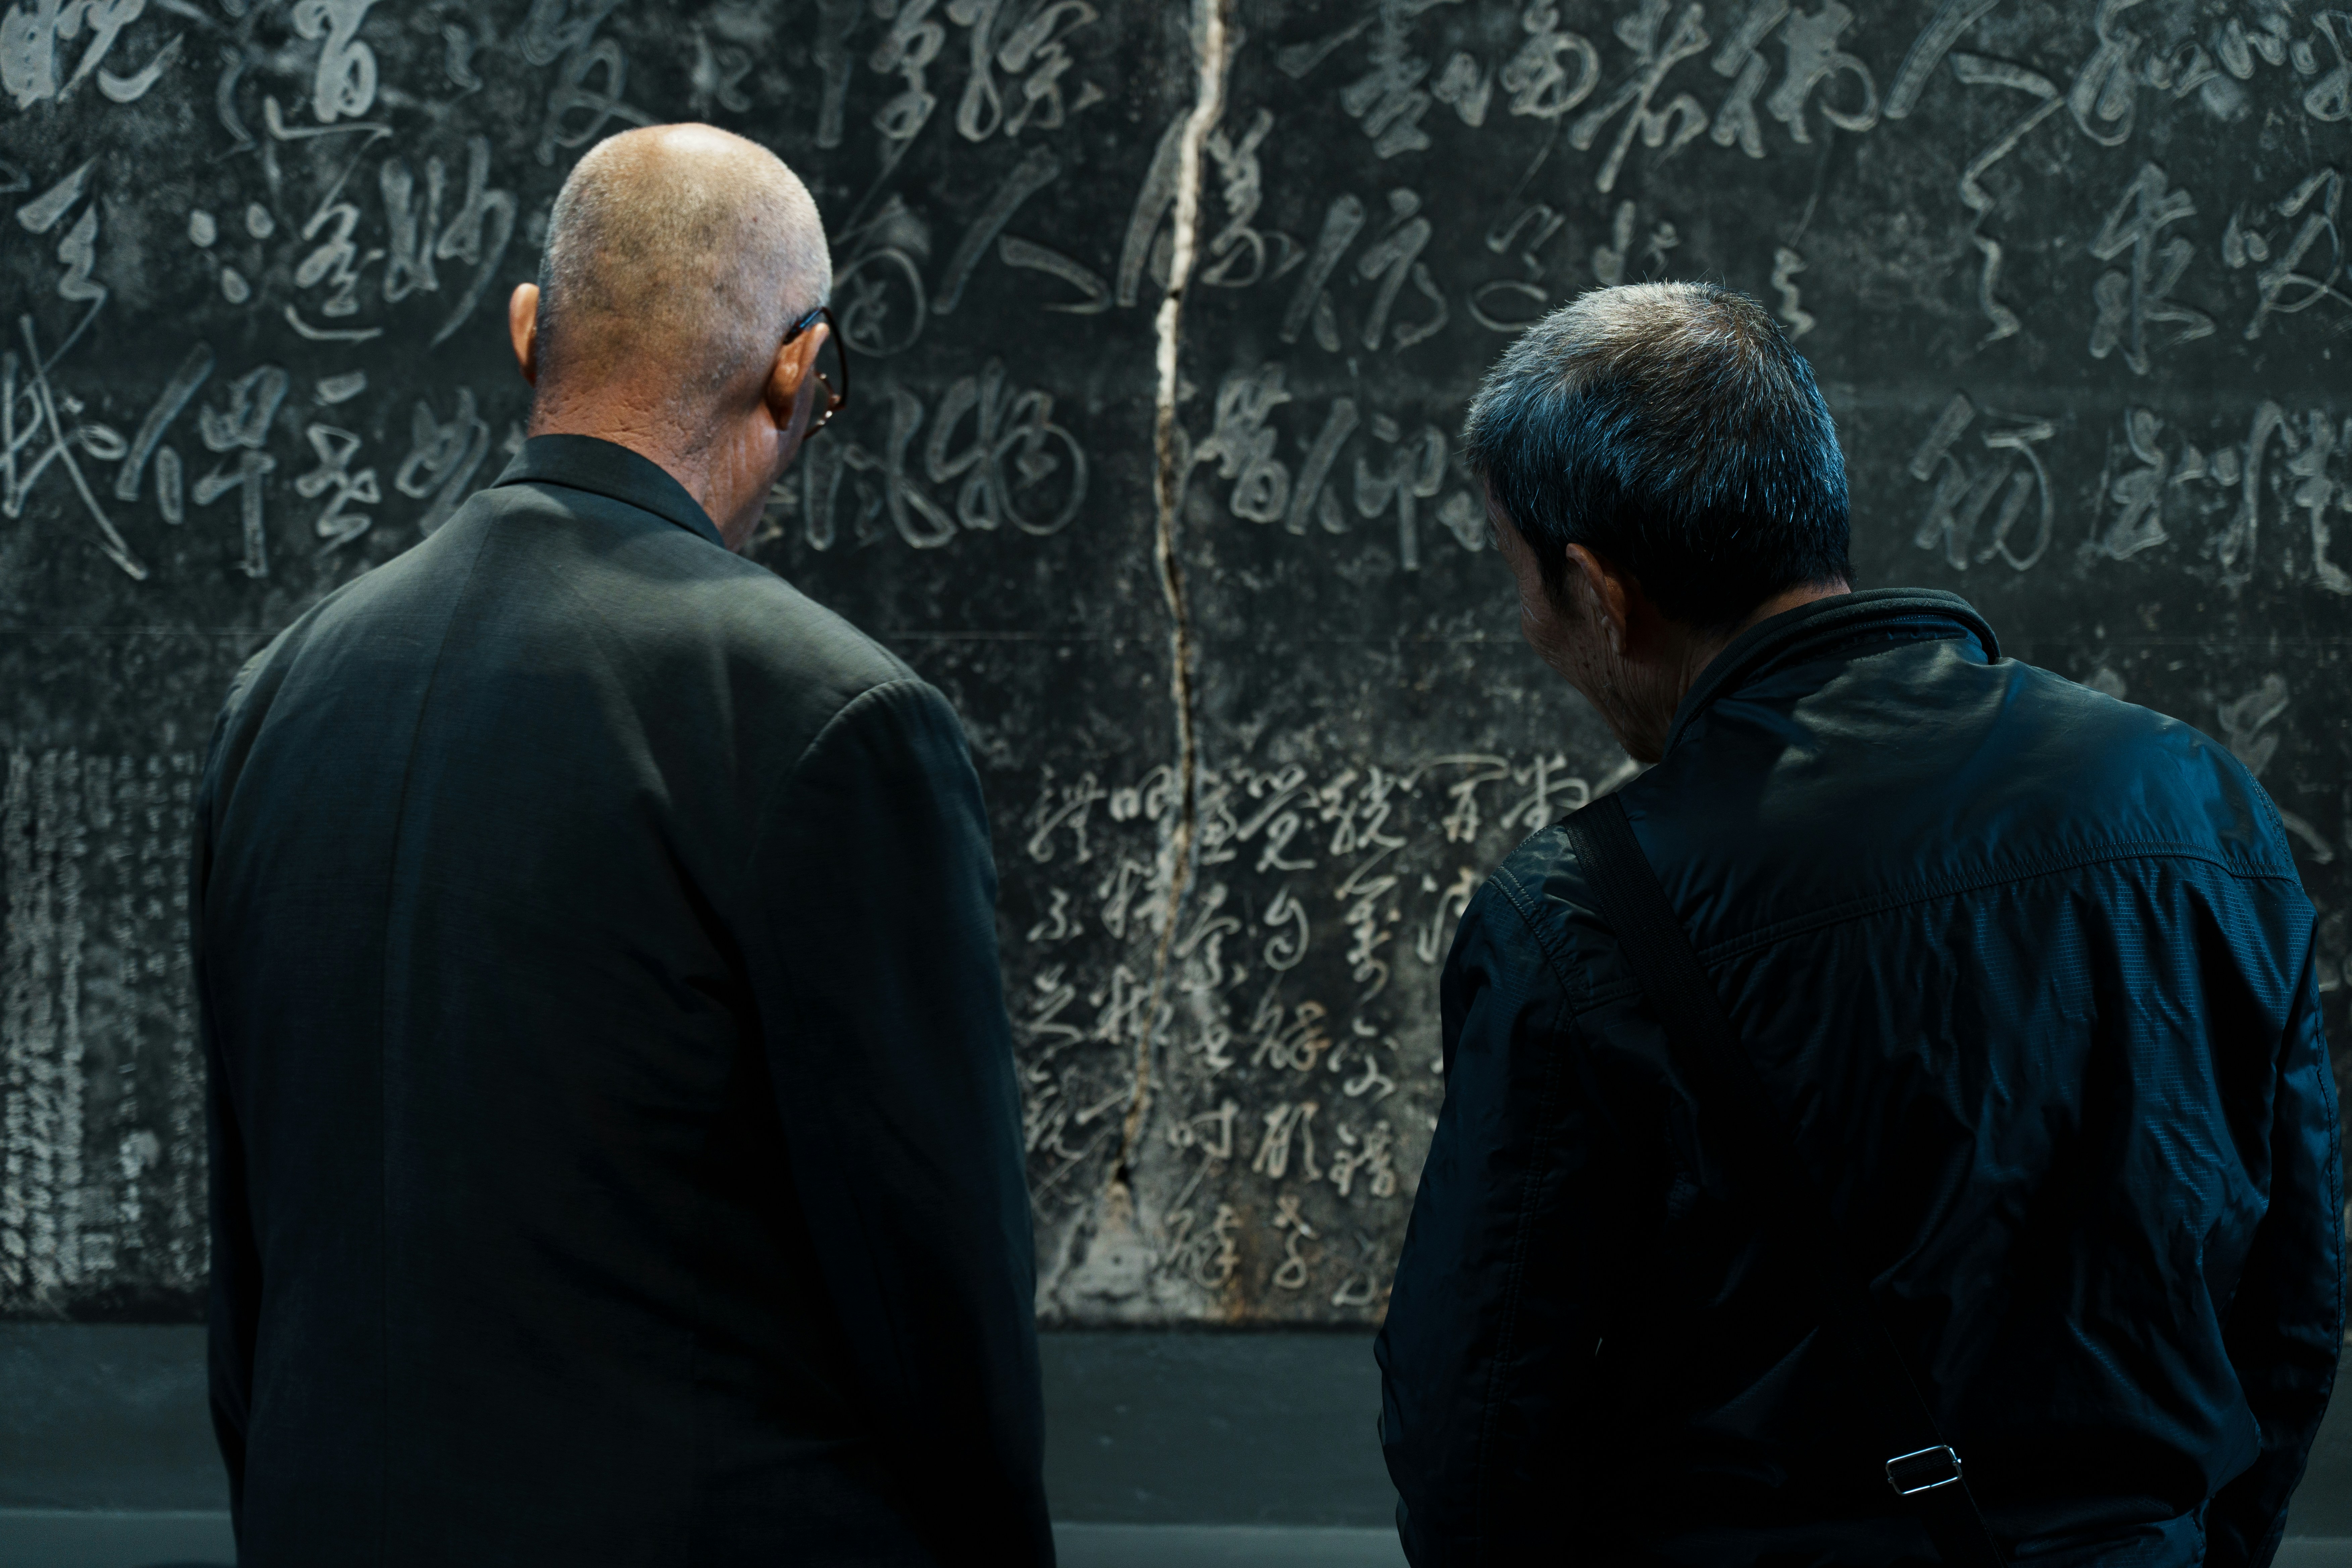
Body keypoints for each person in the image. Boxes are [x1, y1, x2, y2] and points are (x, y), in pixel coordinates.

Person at [1376, 282, 2341, 1566]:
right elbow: (2294, 1296)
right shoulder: (2197, 803)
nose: (1529, 622)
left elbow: (1480, 1421)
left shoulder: (1581, 915)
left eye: (1521, 577)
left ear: (1601, 591)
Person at [193, 124, 1051, 1566]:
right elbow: (938, 1296)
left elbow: (253, 1259)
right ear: (800, 370)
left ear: (530, 332)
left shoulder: (278, 692)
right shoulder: (831, 717)